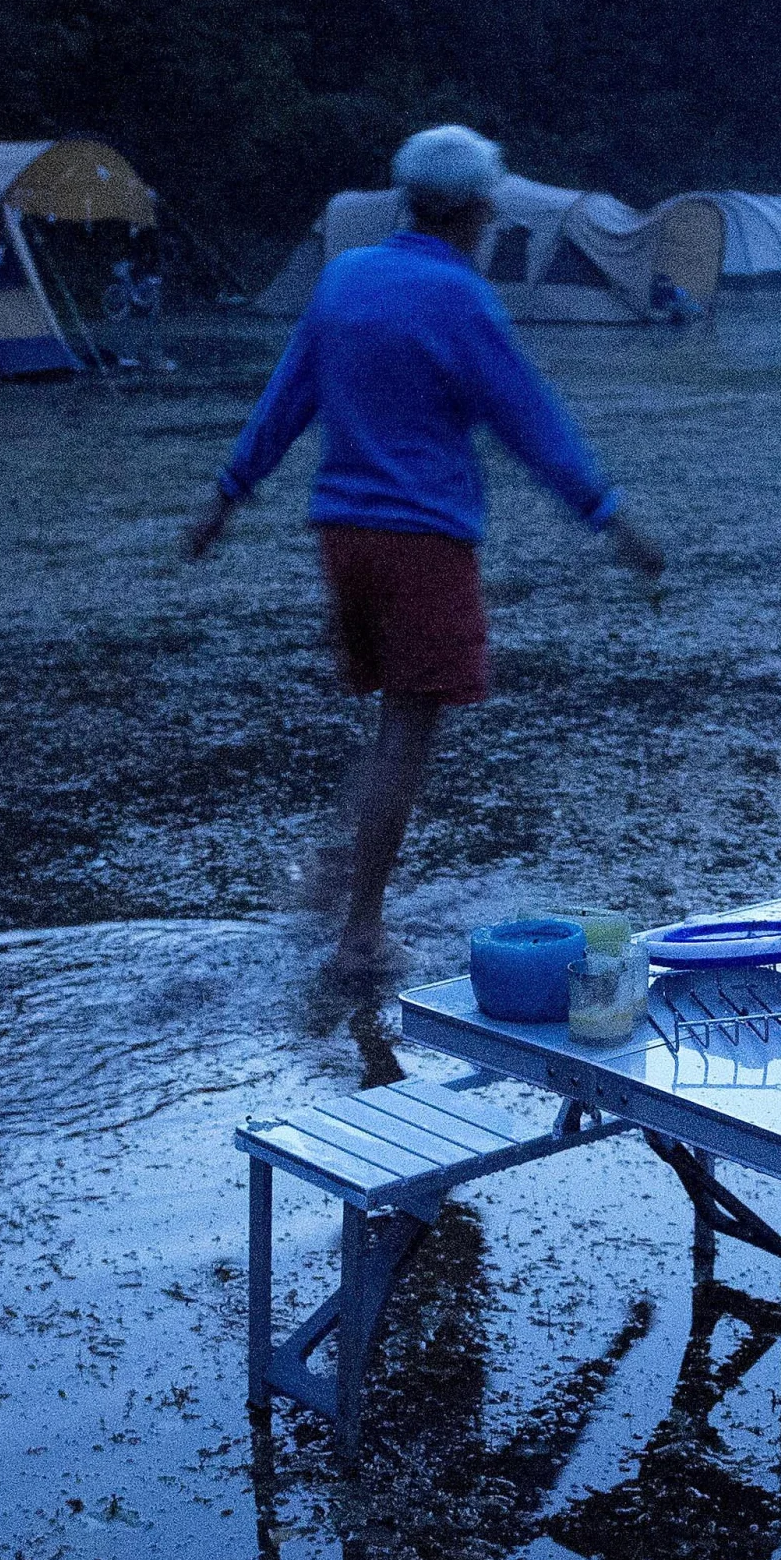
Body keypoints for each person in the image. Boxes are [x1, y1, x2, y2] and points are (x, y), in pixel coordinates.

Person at [184, 125, 666, 983]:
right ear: (476, 210)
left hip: (343, 540)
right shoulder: (460, 299)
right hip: (424, 543)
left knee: (395, 723)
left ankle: (333, 876)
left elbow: (285, 400)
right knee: (408, 732)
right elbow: (530, 421)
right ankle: (360, 934)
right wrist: (611, 518)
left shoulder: (344, 279)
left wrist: (224, 498)